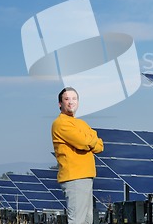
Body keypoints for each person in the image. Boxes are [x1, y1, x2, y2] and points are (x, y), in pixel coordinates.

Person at [51, 87, 104, 224]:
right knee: (77, 220)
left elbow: (100, 146)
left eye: (74, 98)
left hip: (86, 176)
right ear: (60, 104)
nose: (71, 102)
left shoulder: (80, 123)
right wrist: (90, 139)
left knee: (87, 220)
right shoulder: (61, 123)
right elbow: (82, 142)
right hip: (74, 177)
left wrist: (89, 140)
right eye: (66, 99)